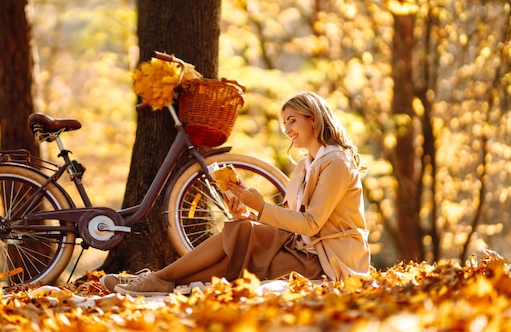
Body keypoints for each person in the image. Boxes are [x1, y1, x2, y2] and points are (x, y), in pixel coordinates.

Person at [101, 91, 371, 296]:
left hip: (327, 258)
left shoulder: (336, 162)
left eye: (292, 121)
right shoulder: (305, 166)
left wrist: (262, 207)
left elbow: (311, 224)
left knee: (245, 261)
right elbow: (290, 218)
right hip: (299, 244)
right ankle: (156, 279)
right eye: (284, 124)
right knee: (241, 230)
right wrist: (248, 212)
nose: (287, 129)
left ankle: (156, 281)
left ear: (313, 119)